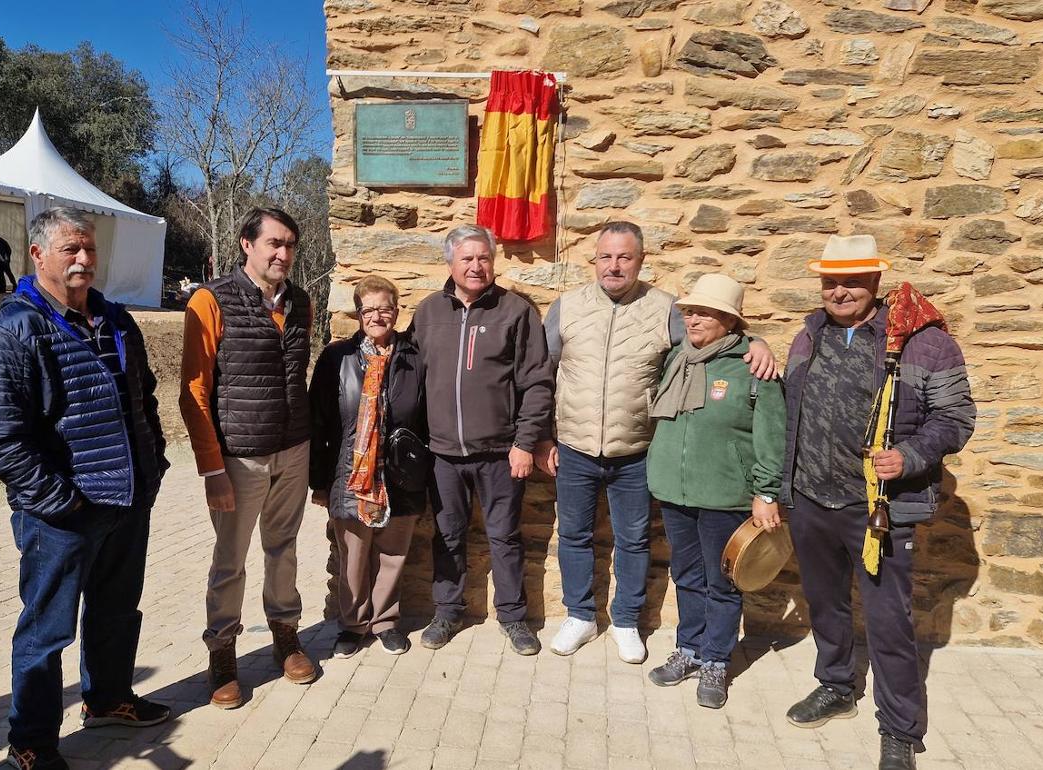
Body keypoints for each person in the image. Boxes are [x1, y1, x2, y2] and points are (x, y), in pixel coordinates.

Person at [0, 208, 171, 770]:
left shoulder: (117, 321)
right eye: (69, 250)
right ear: (37, 256)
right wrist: (64, 502)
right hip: (63, 515)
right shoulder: (6, 333)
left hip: (128, 499)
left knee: (116, 610)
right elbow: (1, 443)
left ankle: (108, 700)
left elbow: (144, 400)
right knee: (46, 631)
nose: (83, 259)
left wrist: (153, 464)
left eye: (88, 249)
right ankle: (31, 741)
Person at [781, 235, 975, 770]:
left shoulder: (922, 343)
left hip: (879, 507)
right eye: (830, 281)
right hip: (812, 497)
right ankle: (837, 685)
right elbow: (788, 413)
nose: (839, 290)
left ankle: (900, 729)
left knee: (890, 621)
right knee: (826, 605)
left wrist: (910, 456)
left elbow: (957, 418)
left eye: (852, 281)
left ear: (875, 283)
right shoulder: (808, 335)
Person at [541, 223, 776, 665]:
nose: (614, 265)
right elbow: (542, 373)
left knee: (632, 539)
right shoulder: (565, 308)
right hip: (573, 445)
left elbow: (713, 340)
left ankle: (627, 620)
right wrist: (540, 437)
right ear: (594, 259)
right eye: (606, 256)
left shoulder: (665, 308)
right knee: (573, 535)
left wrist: (757, 341)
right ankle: (580, 615)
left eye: (624, 257)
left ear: (640, 261)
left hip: (636, 450)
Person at [180, 206, 316, 710]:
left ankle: (285, 634)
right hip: (239, 457)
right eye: (274, 243)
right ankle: (222, 653)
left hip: (293, 449)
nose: (283, 253)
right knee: (229, 560)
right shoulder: (210, 299)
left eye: (290, 245)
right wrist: (212, 468)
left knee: (284, 549)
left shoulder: (300, 302)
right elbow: (193, 389)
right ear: (247, 244)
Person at [410, 224, 554, 655]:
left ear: (493, 261)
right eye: (467, 258)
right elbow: (410, 376)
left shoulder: (516, 311)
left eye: (483, 258)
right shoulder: (428, 312)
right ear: (450, 263)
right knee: (447, 535)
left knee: (505, 536)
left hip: (501, 453)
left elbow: (538, 383)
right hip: (441, 455)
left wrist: (526, 442)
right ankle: (447, 611)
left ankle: (513, 617)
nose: (476, 266)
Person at [643, 273, 786, 709]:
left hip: (725, 493)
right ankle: (688, 650)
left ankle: (716, 660)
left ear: (728, 320)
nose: (693, 319)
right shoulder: (677, 358)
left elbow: (772, 434)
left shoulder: (753, 365)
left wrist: (766, 491)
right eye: (689, 311)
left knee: (722, 582)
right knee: (685, 576)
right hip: (674, 489)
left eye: (704, 312)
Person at [309, 275, 428, 658]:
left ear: (397, 311)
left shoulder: (414, 357)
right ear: (359, 314)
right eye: (369, 309)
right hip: (350, 471)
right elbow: (319, 422)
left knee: (393, 553)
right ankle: (353, 623)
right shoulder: (336, 358)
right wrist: (319, 481)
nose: (378, 316)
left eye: (386, 308)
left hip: (400, 472)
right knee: (354, 556)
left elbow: (427, 416)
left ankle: (386, 621)